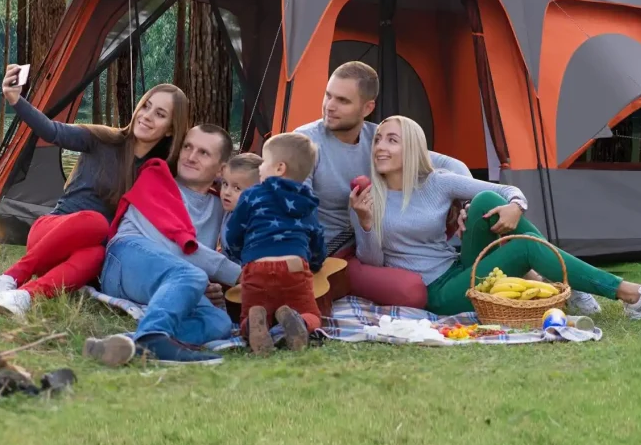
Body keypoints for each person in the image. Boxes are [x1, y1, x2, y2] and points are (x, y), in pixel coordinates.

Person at [351, 116, 641, 319]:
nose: (380, 146)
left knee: (484, 198)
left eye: (392, 140)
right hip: (436, 292)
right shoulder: (367, 197)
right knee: (526, 249)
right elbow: (372, 262)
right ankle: (632, 295)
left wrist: (516, 205)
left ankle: (572, 283)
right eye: (378, 139)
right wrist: (366, 223)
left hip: (458, 267)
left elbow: (502, 191)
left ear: (411, 147)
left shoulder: (437, 182)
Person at [295, 61, 526, 306]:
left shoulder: (378, 140)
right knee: (411, 292)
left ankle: (518, 274)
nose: (330, 106)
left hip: (384, 241)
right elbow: (299, 212)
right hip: (333, 253)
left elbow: (450, 164)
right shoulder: (305, 142)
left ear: (367, 107)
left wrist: (464, 205)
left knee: (418, 284)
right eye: (328, 95)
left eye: (343, 101)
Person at [0, 67, 188, 317]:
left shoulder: (155, 173)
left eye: (160, 114)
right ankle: (11, 276)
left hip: (76, 258)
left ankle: (23, 296)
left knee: (98, 254)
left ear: (170, 129)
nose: (146, 116)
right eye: (146, 106)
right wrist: (16, 99)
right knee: (97, 222)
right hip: (49, 233)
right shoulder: (102, 139)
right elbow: (52, 131)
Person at [83, 125, 242, 367]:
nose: (190, 156)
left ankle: (129, 344)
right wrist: (241, 276)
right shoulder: (157, 178)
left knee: (218, 321)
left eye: (203, 153)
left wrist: (202, 285)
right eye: (188, 147)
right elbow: (179, 248)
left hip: (173, 279)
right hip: (126, 259)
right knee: (190, 273)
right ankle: (154, 340)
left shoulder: (220, 205)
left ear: (221, 169)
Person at [223, 133, 327, 355]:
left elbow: (233, 233)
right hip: (295, 266)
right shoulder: (307, 201)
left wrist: (243, 258)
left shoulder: (251, 195)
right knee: (312, 314)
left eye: (264, 162)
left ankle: (254, 323)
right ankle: (300, 321)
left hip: (256, 267)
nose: (260, 168)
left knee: (250, 312)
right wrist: (316, 264)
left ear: (279, 167)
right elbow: (317, 238)